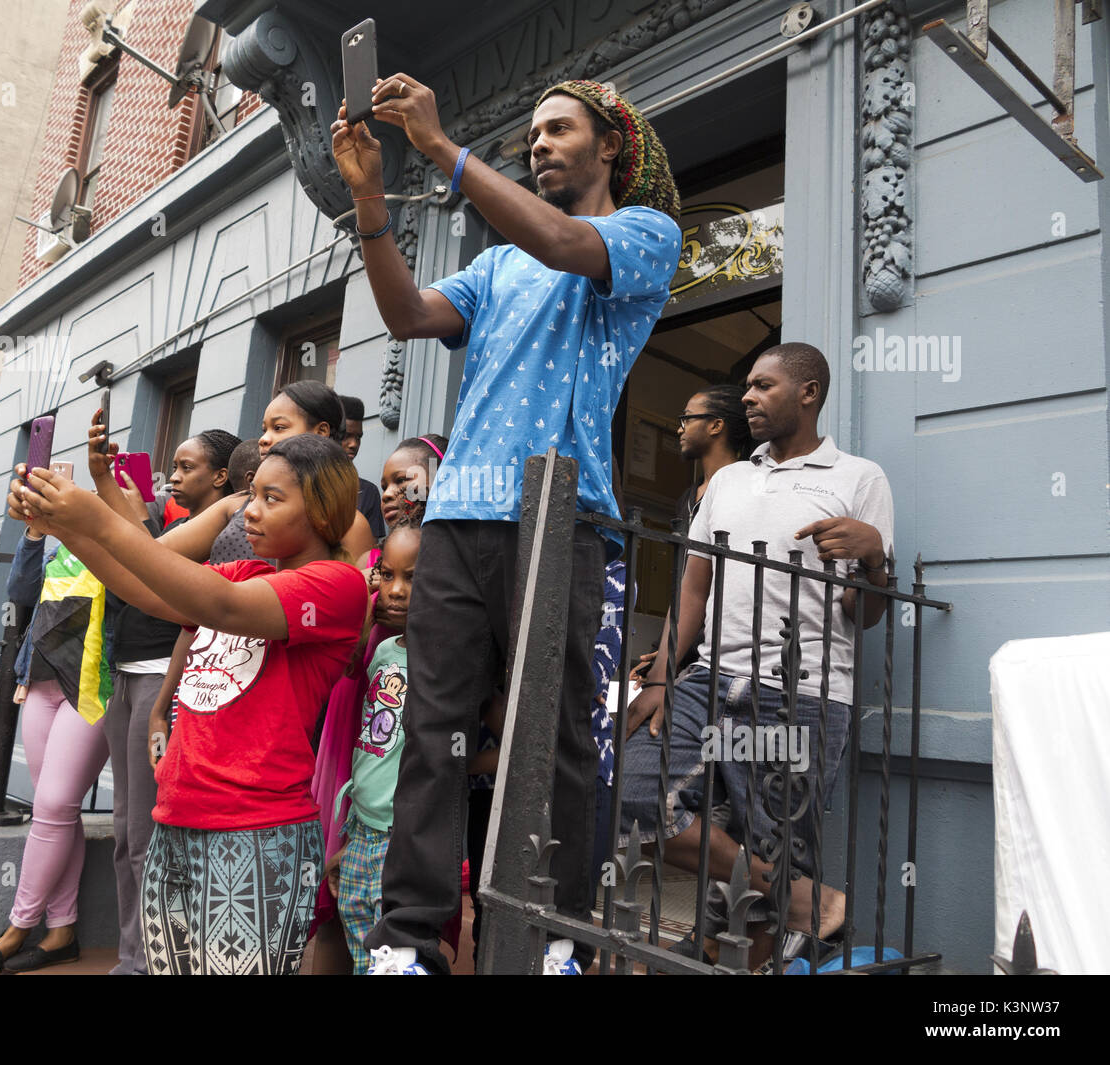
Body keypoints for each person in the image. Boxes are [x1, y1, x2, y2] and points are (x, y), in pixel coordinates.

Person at [331, 74, 680, 974]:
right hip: (458, 514)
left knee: (555, 731)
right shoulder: (492, 265)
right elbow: (407, 314)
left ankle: (560, 931)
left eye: (560, 130)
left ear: (611, 147)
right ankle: (410, 939)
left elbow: (563, 241)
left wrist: (445, 150)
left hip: (562, 518)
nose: (540, 142)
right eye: (531, 133)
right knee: (433, 727)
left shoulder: (642, 235)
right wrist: (372, 195)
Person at [11, 433, 369, 975]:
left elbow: (219, 605)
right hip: (177, 818)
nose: (251, 510)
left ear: (322, 511)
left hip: (255, 833)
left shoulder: (335, 585)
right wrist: (61, 526)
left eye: (273, 499)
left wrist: (96, 518)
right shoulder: (248, 571)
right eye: (253, 495)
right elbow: (144, 588)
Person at [621, 343, 895, 968]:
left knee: (774, 841)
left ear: (808, 393)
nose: (747, 396)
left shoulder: (859, 479)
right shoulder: (729, 480)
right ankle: (807, 901)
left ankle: (770, 925)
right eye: (746, 385)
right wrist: (663, 674)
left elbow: (867, 614)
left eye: (763, 385)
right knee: (638, 790)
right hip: (710, 677)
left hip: (804, 691)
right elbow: (694, 586)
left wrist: (874, 557)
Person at [99, 426, 241, 976]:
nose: (173, 477)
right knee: (122, 829)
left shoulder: (220, 533)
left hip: (164, 679)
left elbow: (163, 587)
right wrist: (100, 482)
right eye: (172, 467)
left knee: (144, 835)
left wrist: (163, 703)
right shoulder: (170, 521)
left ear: (222, 477)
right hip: (125, 677)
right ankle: (129, 952)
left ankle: (148, 961)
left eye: (187, 468)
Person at [306, 433, 448, 973]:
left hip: (403, 802)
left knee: (397, 929)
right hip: (362, 729)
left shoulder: (440, 570)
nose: (389, 492)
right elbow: (348, 659)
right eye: (383, 482)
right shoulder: (375, 562)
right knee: (350, 906)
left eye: (403, 479)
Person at [0, 524, 112, 974]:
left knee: (52, 805)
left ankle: (18, 926)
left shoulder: (123, 545)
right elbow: (20, 591)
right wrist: (33, 535)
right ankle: (61, 931)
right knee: (56, 811)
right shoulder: (58, 550)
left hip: (90, 688)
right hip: (40, 683)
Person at [327, 514, 422, 973]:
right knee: (359, 937)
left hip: (399, 835)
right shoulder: (383, 651)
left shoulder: (441, 662)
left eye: (412, 577)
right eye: (387, 574)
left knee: (395, 952)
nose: (396, 589)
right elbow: (346, 666)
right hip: (362, 828)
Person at [140, 382, 375, 566]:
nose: (264, 438)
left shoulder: (350, 524)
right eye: (264, 429)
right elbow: (151, 556)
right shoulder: (239, 503)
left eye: (279, 427)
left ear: (321, 431)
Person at [632, 383, 754, 686]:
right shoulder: (687, 497)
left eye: (687, 418)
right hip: (685, 643)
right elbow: (684, 583)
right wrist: (664, 653)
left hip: (725, 650)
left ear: (716, 425)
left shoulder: (749, 488)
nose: (679, 429)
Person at [338, 394, 387, 539]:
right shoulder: (306, 482)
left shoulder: (368, 492)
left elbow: (369, 555)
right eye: (346, 435)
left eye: (358, 437)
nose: (354, 444)